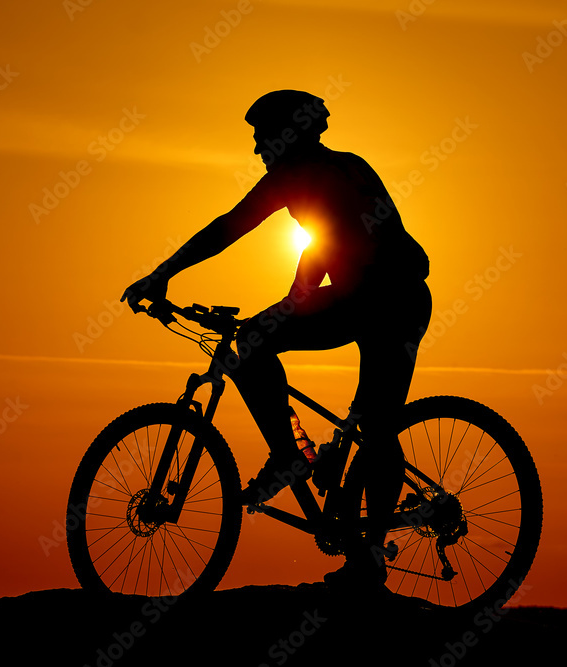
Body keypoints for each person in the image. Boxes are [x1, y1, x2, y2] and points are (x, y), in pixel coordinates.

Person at [121, 90, 432, 587]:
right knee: (373, 422)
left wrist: (162, 274)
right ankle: (359, 538)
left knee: (262, 349)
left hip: (379, 302)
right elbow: (329, 239)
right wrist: (297, 298)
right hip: (389, 299)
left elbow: (230, 227)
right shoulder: (344, 167)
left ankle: (295, 461)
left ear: (288, 134)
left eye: (260, 138)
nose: (257, 149)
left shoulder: (299, 175)